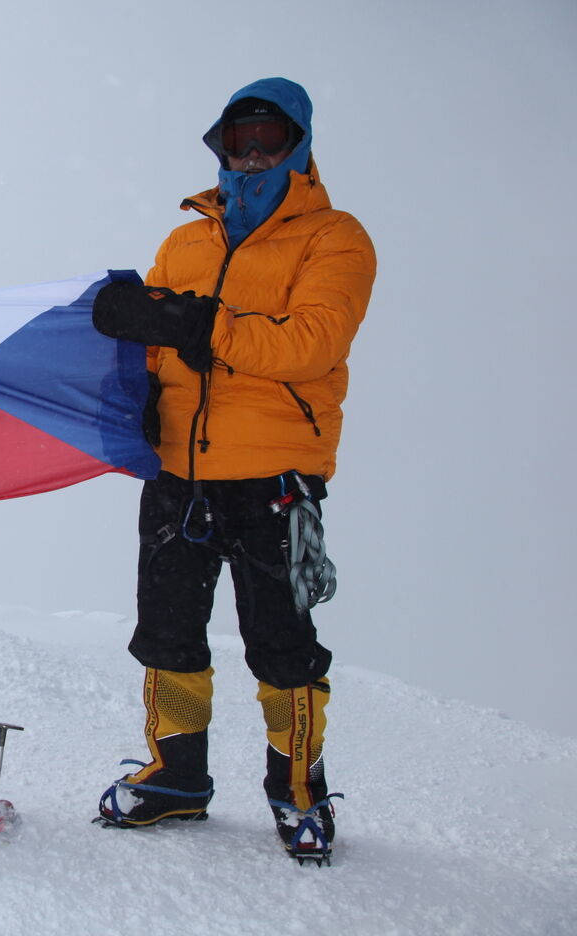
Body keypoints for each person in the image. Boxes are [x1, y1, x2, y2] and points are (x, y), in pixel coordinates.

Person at [89, 78, 376, 865]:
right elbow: (155, 342)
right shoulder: (185, 242)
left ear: (299, 147)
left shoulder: (335, 239)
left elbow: (308, 343)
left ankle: (298, 794)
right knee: (168, 633)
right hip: (178, 470)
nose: (251, 154)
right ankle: (176, 779)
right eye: (238, 140)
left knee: (283, 646)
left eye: (269, 140)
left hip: (274, 474)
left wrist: (192, 321)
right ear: (219, 146)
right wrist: (142, 386)